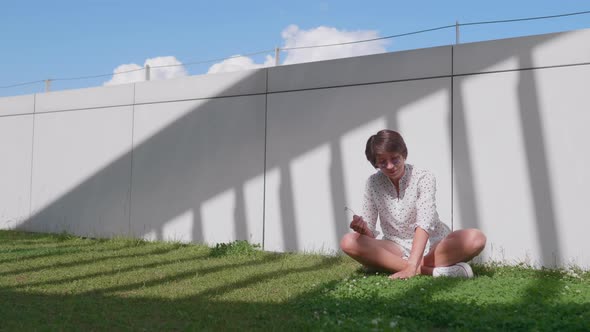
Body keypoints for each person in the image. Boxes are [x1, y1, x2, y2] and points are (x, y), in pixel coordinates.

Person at [340, 129, 486, 279]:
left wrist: (411, 265)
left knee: (476, 238)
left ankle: (397, 265)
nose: (390, 166)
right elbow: (369, 234)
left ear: (403, 154)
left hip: (432, 243)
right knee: (349, 241)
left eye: (395, 159)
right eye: (383, 162)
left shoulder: (424, 177)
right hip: (394, 245)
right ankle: (431, 271)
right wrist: (363, 229)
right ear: (375, 164)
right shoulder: (373, 183)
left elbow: (424, 222)